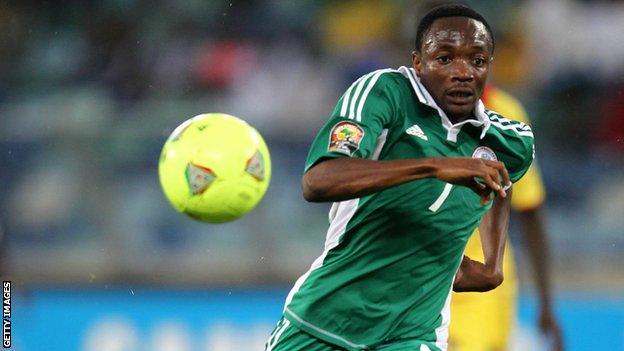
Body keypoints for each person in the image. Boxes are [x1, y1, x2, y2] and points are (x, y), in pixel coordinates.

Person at [266, 4, 534, 351]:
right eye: (445, 58)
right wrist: (433, 166)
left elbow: (503, 179)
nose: (463, 72)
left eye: (477, 61)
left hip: (412, 336)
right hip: (322, 322)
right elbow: (319, 180)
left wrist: (492, 262)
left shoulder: (511, 141)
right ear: (418, 63)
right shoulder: (385, 94)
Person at [449, 85, 563, 351]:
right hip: (418, 276)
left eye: (476, 58)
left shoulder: (506, 114)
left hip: (479, 290)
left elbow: (530, 209)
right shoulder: (405, 106)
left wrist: (546, 305)